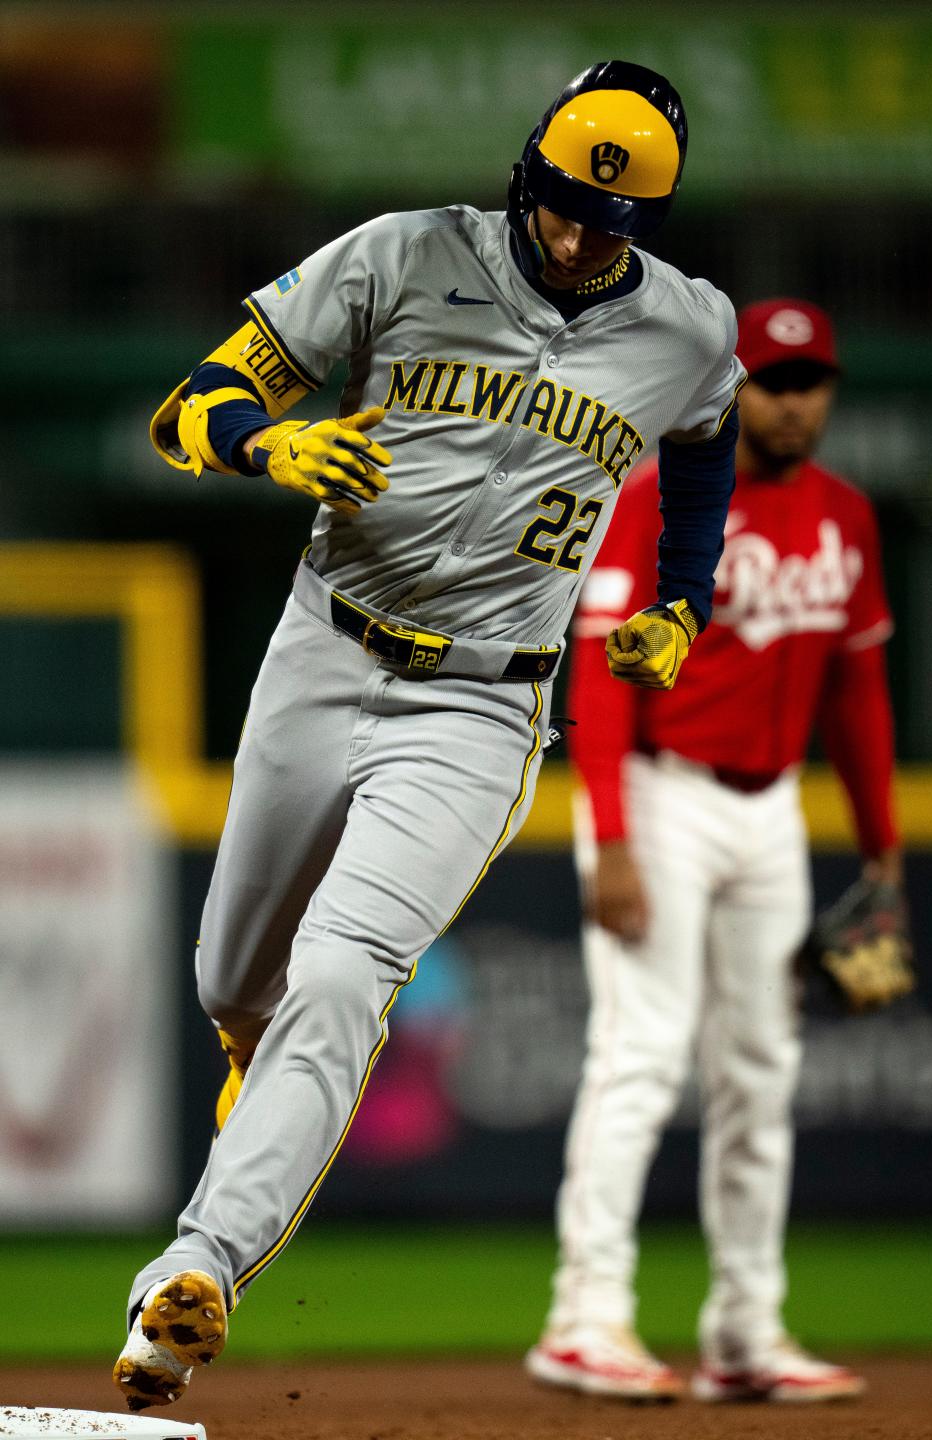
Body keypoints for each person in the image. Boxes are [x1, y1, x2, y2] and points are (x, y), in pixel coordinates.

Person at [112, 60, 745, 1411]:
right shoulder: (403, 255)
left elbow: (705, 454)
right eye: (567, 207)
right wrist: (264, 450)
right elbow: (192, 405)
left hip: (484, 705)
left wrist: (685, 606)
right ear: (530, 177)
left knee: (344, 978)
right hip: (322, 651)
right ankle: (257, 1058)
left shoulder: (689, 329)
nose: (582, 238)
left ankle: (196, 1274)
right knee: (237, 979)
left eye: (612, 223)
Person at [526, 298, 900, 1403]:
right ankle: (583, 1317)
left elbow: (861, 694)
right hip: (661, 793)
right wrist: (612, 839)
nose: (795, 401)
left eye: (812, 380)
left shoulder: (847, 516)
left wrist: (881, 856)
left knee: (760, 1075)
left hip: (772, 811)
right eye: (775, 382)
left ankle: (747, 1330)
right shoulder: (662, 500)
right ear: (736, 389)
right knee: (639, 1057)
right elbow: (595, 674)